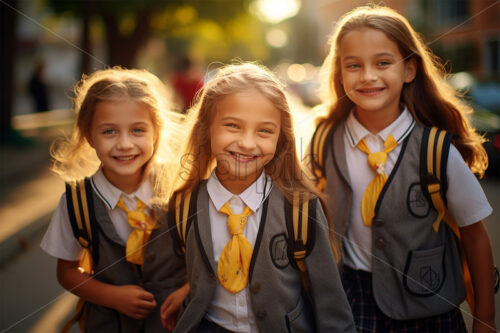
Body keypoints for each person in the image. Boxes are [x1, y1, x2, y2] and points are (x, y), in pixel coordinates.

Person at [306, 5, 496, 333]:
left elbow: (474, 235)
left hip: (430, 308)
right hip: (351, 303)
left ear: (409, 70)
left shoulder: (437, 151)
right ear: (339, 72)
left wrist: (486, 317)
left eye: (383, 62)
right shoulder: (324, 139)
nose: (368, 75)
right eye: (354, 65)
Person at [161, 62, 355, 332]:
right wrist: (189, 288)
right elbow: (182, 269)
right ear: (206, 129)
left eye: (264, 131)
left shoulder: (300, 208)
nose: (247, 143)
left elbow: (330, 299)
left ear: (281, 139)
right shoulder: (184, 204)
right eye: (233, 126)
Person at [40, 67, 187, 332]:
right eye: (109, 132)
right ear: (89, 136)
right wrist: (112, 296)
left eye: (138, 130)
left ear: (156, 132)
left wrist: (188, 291)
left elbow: (207, 254)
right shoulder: (76, 202)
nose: (125, 144)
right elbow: (67, 271)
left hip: (176, 323)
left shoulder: (179, 185)